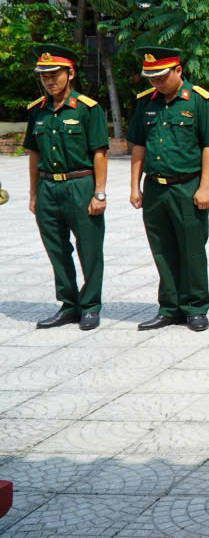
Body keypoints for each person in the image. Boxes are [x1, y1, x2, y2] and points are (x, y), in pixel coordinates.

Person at [128, 47, 209, 333]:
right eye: (152, 78)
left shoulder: (199, 101)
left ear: (178, 70)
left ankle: (195, 307)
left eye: (162, 76)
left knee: (192, 249)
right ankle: (169, 307)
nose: (156, 82)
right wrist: (134, 186)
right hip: (155, 188)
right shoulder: (146, 103)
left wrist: (205, 187)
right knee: (162, 248)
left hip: (187, 186)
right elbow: (139, 145)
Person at [25, 44, 109, 331]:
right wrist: (34, 193)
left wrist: (99, 192)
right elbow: (34, 154)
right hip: (48, 187)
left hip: (80, 184)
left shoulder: (87, 109)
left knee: (89, 249)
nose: (49, 81)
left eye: (54, 74)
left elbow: (100, 152)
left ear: (70, 74)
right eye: (44, 76)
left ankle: (91, 306)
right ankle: (69, 304)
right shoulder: (37, 111)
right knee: (57, 249)